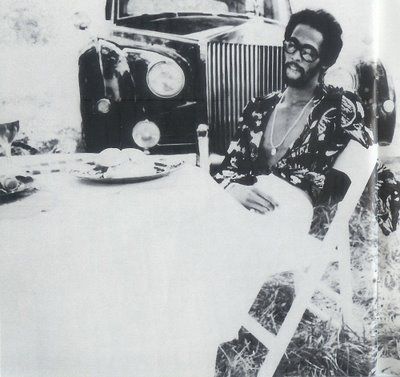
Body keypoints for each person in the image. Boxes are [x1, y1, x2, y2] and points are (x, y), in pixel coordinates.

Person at [213, 9, 399, 235]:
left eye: (308, 52)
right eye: (292, 45)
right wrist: (234, 189)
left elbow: (364, 162)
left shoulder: (340, 107)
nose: (295, 56)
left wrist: (320, 232)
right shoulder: (257, 108)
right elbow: (228, 170)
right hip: (242, 222)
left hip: (292, 233)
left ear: (325, 62)